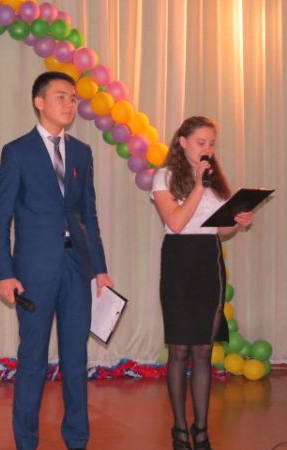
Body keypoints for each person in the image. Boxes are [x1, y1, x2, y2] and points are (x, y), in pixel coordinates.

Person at [0, 71, 113, 450]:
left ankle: (77, 439)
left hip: (77, 269)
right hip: (33, 272)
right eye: (61, 96)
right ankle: (26, 442)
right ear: (39, 102)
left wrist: (100, 268)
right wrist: (4, 273)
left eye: (73, 98)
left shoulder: (82, 152)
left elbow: (88, 215)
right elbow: (0, 218)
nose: (70, 104)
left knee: (76, 360)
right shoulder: (17, 152)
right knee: (33, 361)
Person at [151, 116, 254, 450]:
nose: (207, 149)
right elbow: (177, 223)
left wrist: (237, 222)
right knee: (180, 349)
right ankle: (180, 428)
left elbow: (218, 228)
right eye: (201, 143)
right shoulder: (164, 177)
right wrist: (199, 185)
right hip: (179, 263)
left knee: (204, 350)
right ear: (183, 142)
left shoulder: (215, 180)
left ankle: (201, 428)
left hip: (209, 264)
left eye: (211, 143)